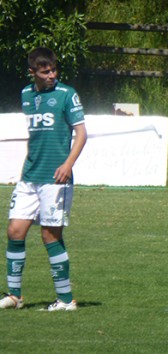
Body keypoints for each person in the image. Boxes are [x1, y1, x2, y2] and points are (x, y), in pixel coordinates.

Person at [0, 47, 87, 311]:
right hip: (30, 176)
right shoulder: (26, 95)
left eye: (54, 70)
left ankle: (65, 299)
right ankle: (15, 296)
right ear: (32, 73)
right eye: (45, 71)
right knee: (14, 231)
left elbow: (81, 133)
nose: (51, 75)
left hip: (56, 178)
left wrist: (68, 164)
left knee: (50, 235)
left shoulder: (66, 94)